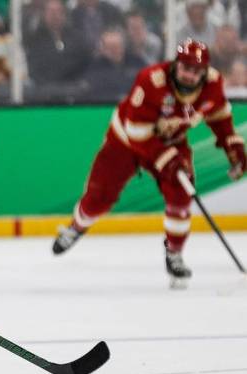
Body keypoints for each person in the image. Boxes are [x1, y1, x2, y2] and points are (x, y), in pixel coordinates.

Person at [52, 39, 246, 289]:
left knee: (181, 194)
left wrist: (233, 146)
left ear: (205, 71)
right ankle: (77, 227)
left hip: (172, 142)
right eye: (185, 67)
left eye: (196, 70)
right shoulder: (151, 80)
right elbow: (136, 131)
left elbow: (220, 115)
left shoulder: (213, 83)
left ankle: (174, 254)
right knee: (99, 198)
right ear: (176, 64)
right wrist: (166, 159)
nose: (190, 75)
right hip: (125, 142)